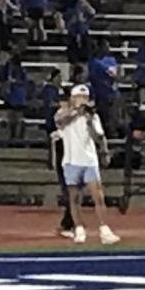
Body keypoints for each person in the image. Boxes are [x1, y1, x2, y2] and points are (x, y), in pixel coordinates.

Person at [54, 85, 119, 245]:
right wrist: (76, 112)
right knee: (74, 197)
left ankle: (104, 229)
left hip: (89, 160)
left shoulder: (93, 117)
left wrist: (89, 122)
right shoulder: (64, 113)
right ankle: (79, 228)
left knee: (98, 196)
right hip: (71, 160)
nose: (83, 100)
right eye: (79, 97)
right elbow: (60, 121)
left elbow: (98, 137)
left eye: (85, 97)